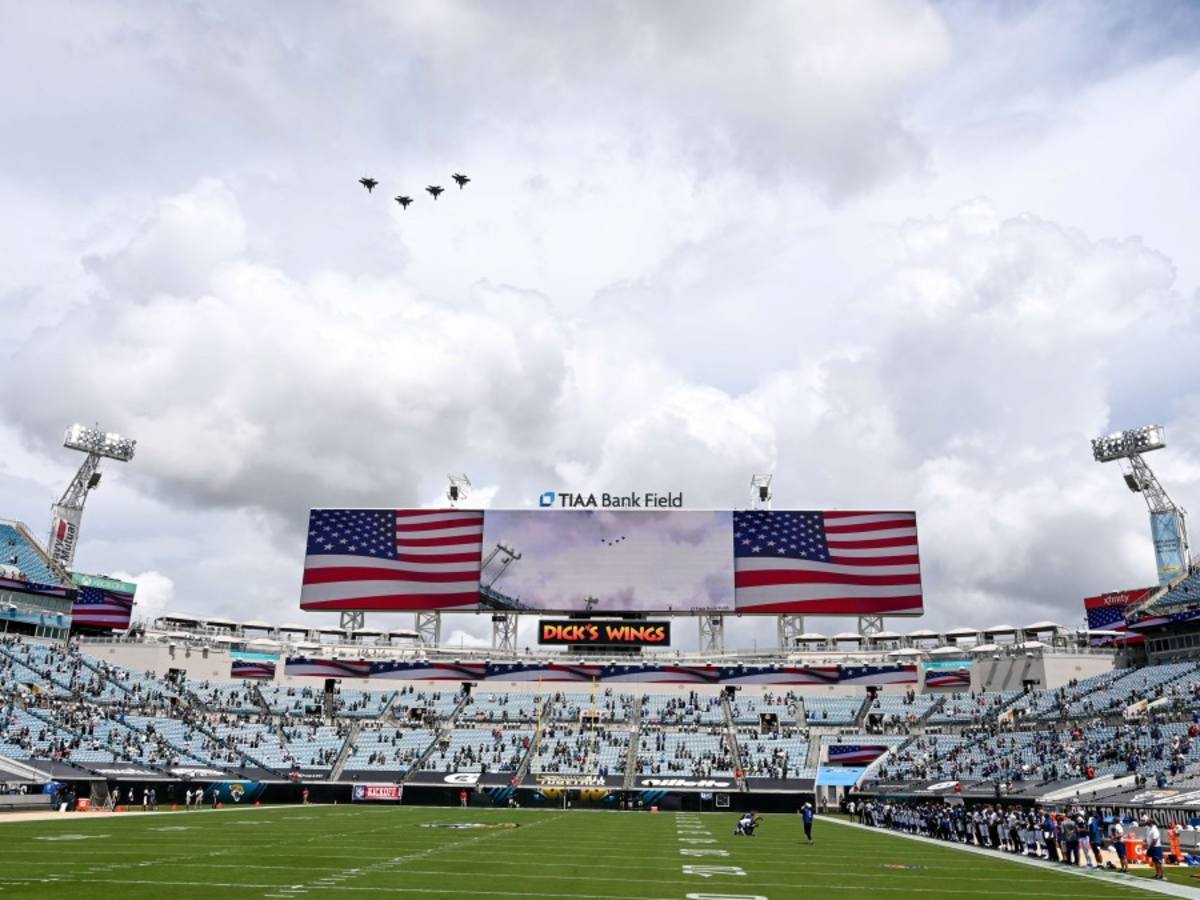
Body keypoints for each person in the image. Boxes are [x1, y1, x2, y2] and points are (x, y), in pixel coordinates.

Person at [1144, 816, 1164, 880]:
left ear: (1151, 823)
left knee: (1158, 862)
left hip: (1156, 847)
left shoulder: (1154, 829)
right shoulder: (1150, 829)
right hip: (1153, 847)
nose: (1147, 822)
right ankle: (1157, 874)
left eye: (1148, 821)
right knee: (1155, 862)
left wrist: (1150, 847)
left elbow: (1155, 840)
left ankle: (1162, 875)